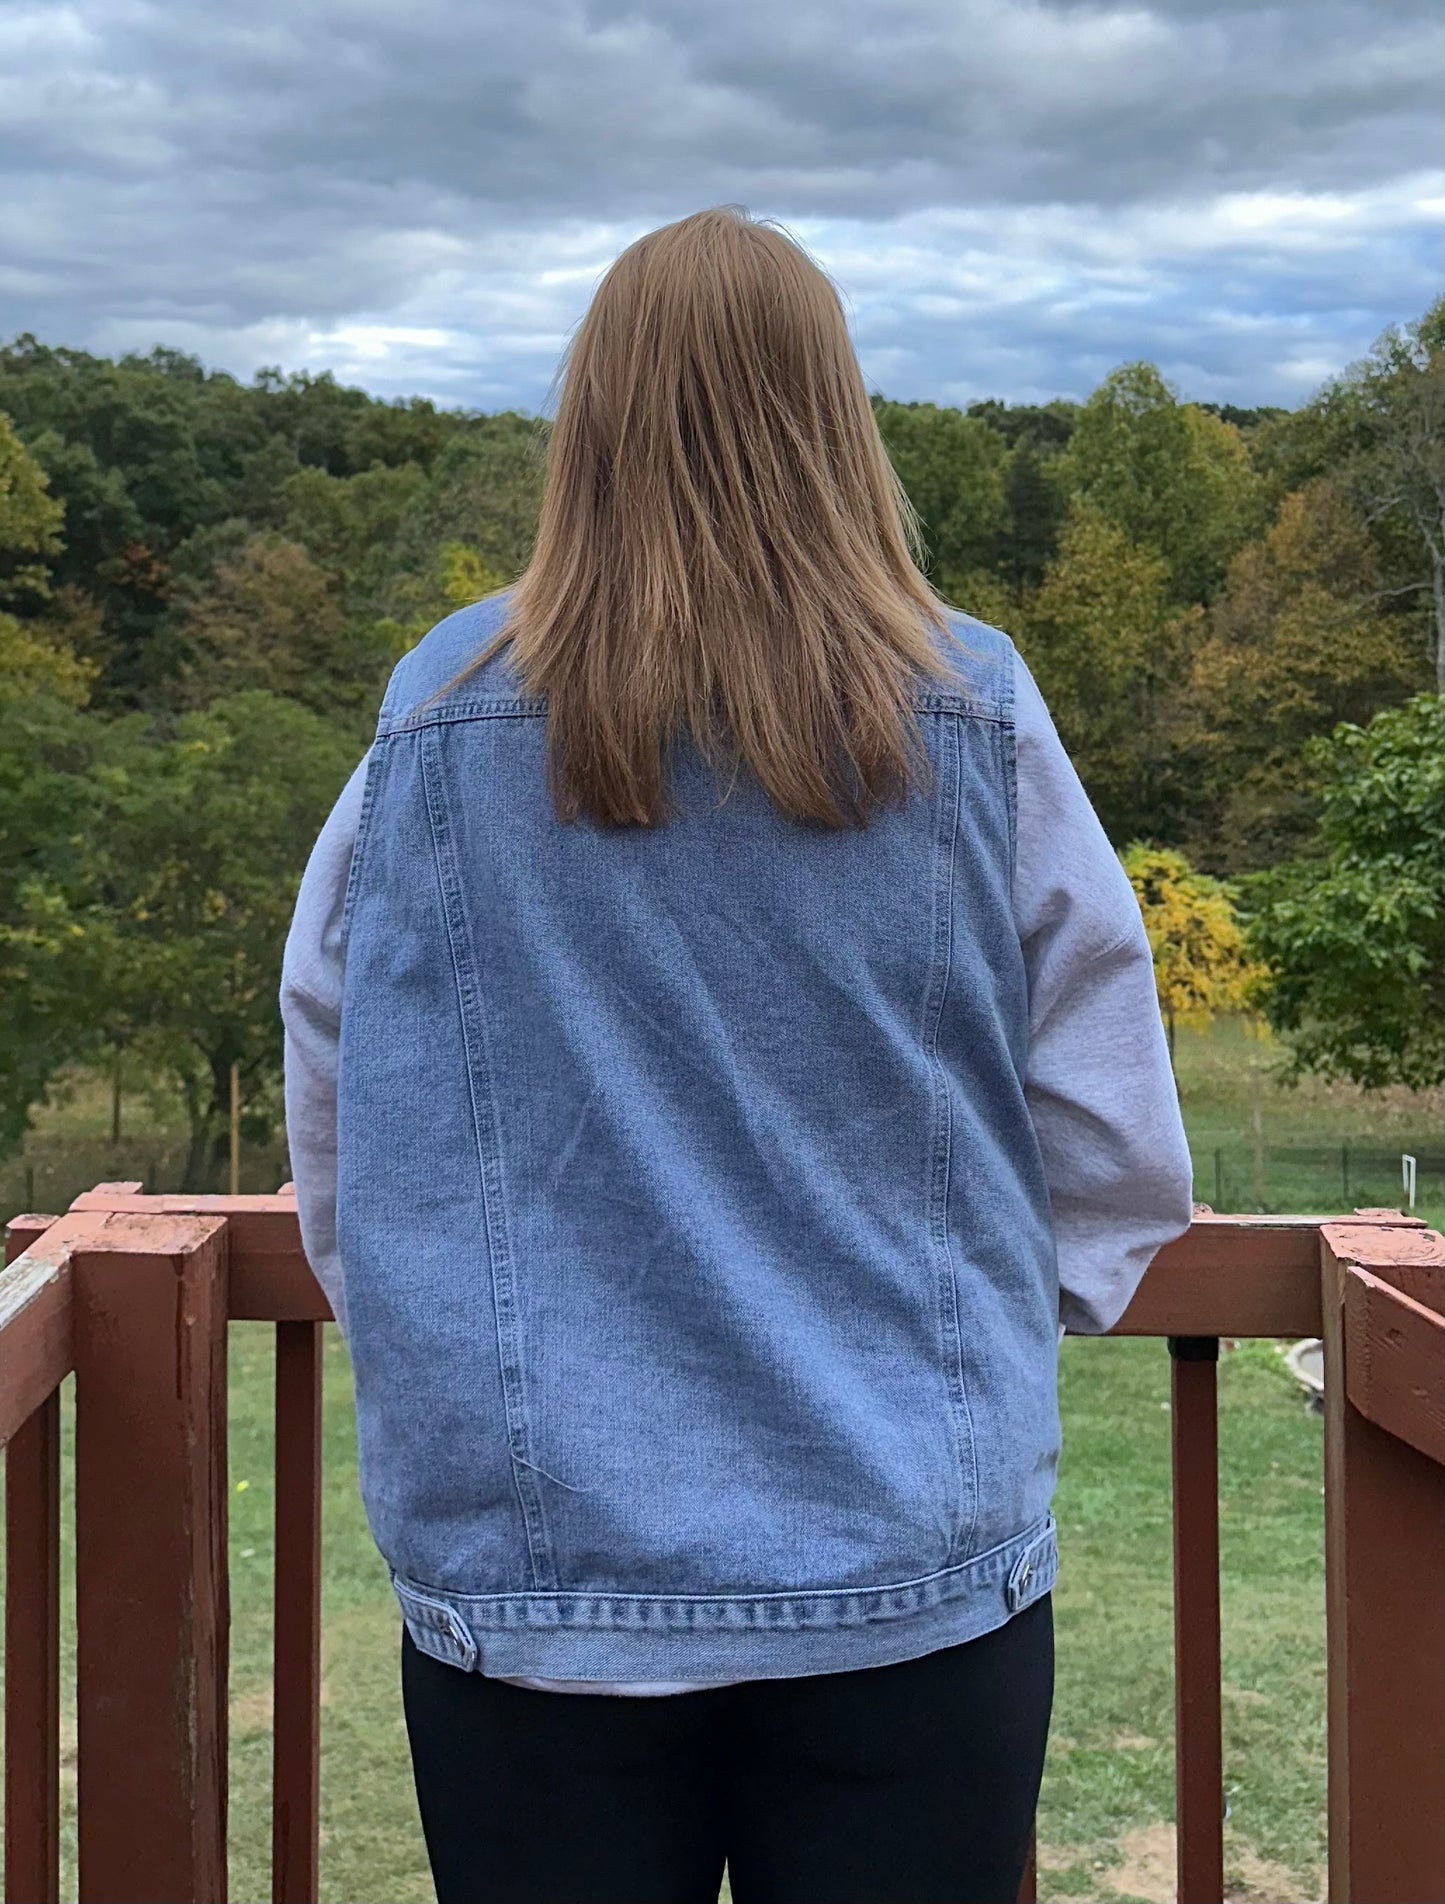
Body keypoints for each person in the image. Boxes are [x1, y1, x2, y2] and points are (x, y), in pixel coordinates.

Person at [280, 204, 1194, 1904]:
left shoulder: (438, 703)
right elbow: (1107, 1106)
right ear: (835, 422)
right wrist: (991, 1337)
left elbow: (336, 1069)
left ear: (591, 423)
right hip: (906, 1550)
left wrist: (452, 1328)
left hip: (536, 1573)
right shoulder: (968, 701)